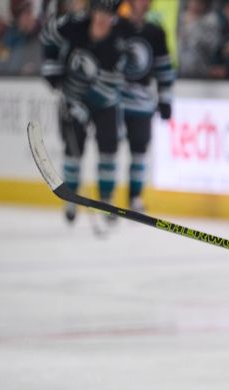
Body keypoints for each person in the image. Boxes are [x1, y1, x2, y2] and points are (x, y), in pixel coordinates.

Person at [41, 0, 126, 226]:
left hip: (105, 102)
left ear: (114, 17)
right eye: (98, 12)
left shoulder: (119, 40)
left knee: (108, 149)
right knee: (72, 150)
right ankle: (71, 200)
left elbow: (112, 85)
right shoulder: (73, 25)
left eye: (107, 15)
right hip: (72, 97)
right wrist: (52, 68)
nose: (101, 18)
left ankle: (106, 201)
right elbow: (48, 35)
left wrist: (83, 107)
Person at [115, 0, 175, 212]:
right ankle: (107, 196)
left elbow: (164, 68)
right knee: (110, 148)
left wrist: (165, 99)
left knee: (139, 149)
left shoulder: (155, 32)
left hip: (142, 103)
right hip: (116, 101)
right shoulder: (117, 27)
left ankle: (135, 196)